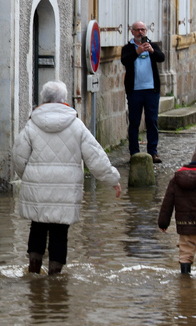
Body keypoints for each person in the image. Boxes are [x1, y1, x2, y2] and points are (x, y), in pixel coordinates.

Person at [12, 80, 122, 276]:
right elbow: (95, 157)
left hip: (38, 191)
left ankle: (34, 271)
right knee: (59, 233)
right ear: (64, 100)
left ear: (43, 100)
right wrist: (113, 179)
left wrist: (29, 178)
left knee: (37, 227)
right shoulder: (77, 126)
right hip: (65, 192)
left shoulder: (31, 125)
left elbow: (18, 159)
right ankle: (55, 278)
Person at [121, 21, 166, 163]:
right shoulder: (128, 48)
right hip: (135, 91)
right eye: (137, 30)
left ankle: (153, 152)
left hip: (151, 90)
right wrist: (137, 52)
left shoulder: (153, 46)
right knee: (134, 122)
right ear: (132, 32)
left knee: (152, 121)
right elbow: (125, 61)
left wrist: (151, 51)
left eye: (143, 29)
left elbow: (161, 57)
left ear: (146, 31)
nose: (140, 32)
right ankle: (134, 152)